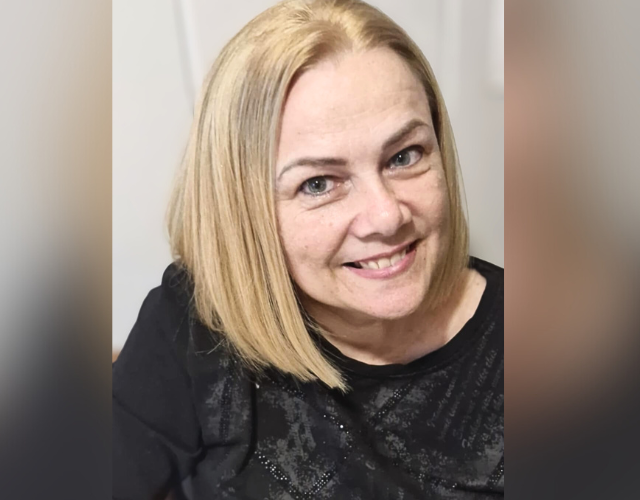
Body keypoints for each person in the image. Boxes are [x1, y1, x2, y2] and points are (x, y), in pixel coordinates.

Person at [112, 0, 504, 498]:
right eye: (318, 183)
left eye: (405, 156)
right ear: (243, 208)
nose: (387, 216)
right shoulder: (197, 319)